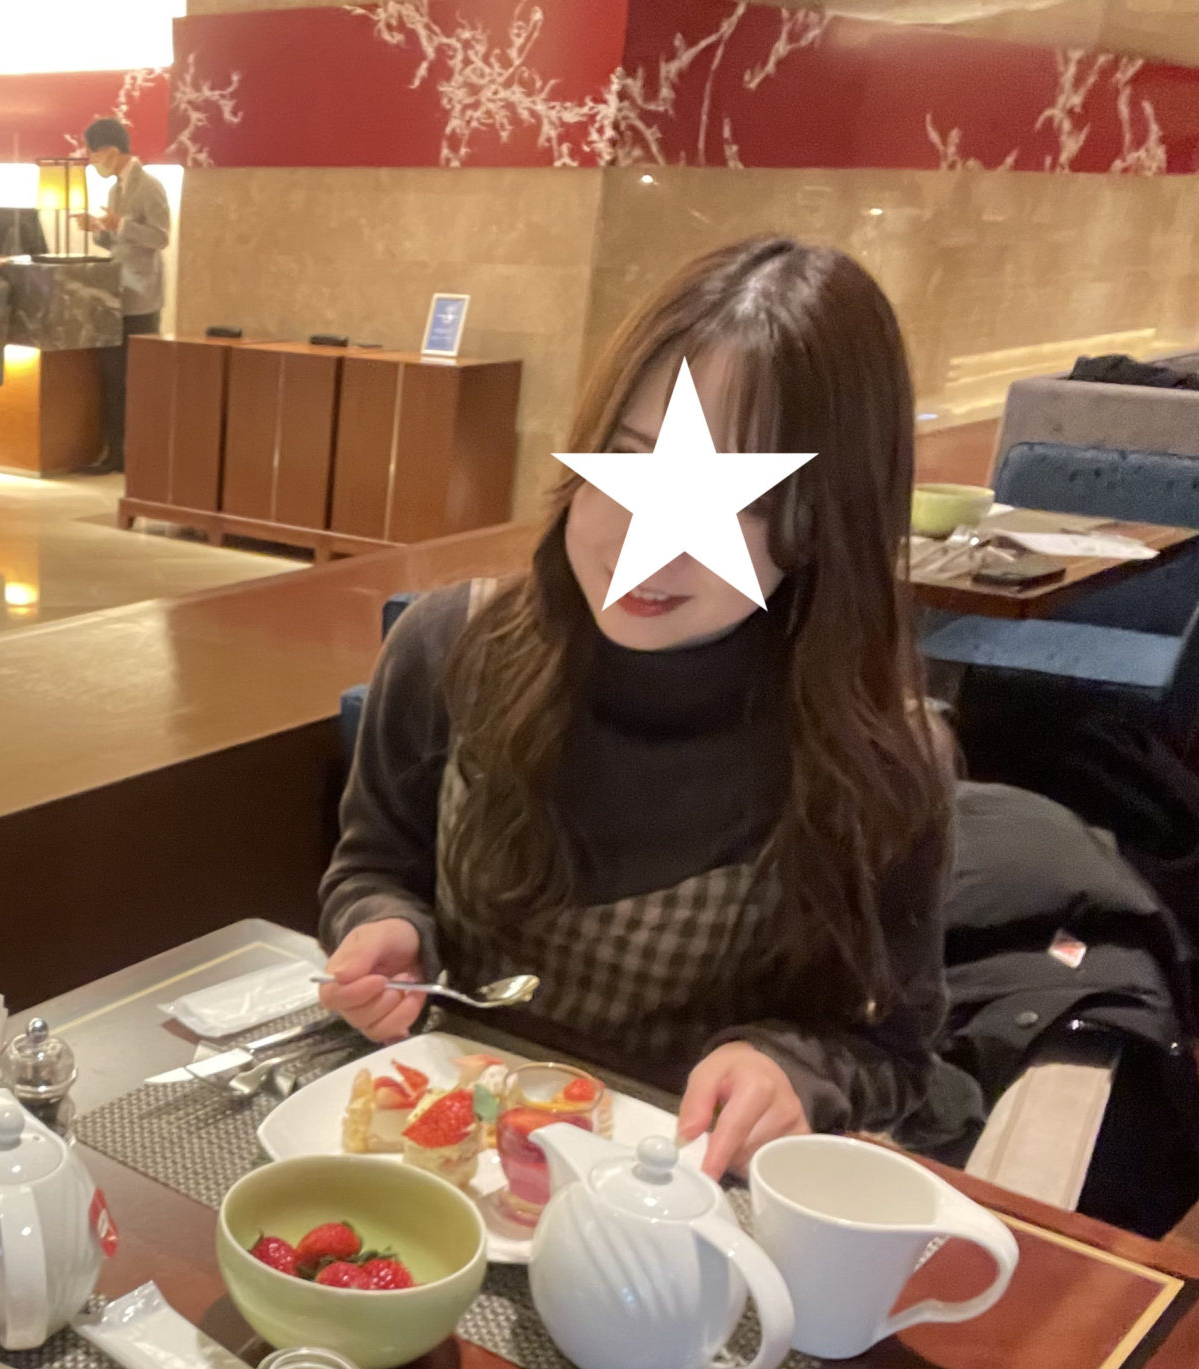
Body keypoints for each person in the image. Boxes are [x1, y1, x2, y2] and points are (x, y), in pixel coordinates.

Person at [320, 236, 952, 1179]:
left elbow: (894, 1049)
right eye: (630, 460)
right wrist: (383, 930)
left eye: (737, 498)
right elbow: (375, 863)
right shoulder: (452, 648)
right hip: (441, 1165)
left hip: (667, 1205)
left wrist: (792, 1072)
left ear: (827, 518)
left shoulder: (878, 763)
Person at [75, 117, 169, 476]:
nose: (93, 161)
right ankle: (114, 452)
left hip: (142, 298)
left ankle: (137, 454)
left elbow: (160, 237)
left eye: (94, 154)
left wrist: (121, 225)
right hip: (117, 293)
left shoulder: (150, 186)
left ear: (112, 150)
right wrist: (98, 228)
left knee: (136, 381)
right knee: (113, 378)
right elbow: (118, 243)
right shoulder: (116, 190)